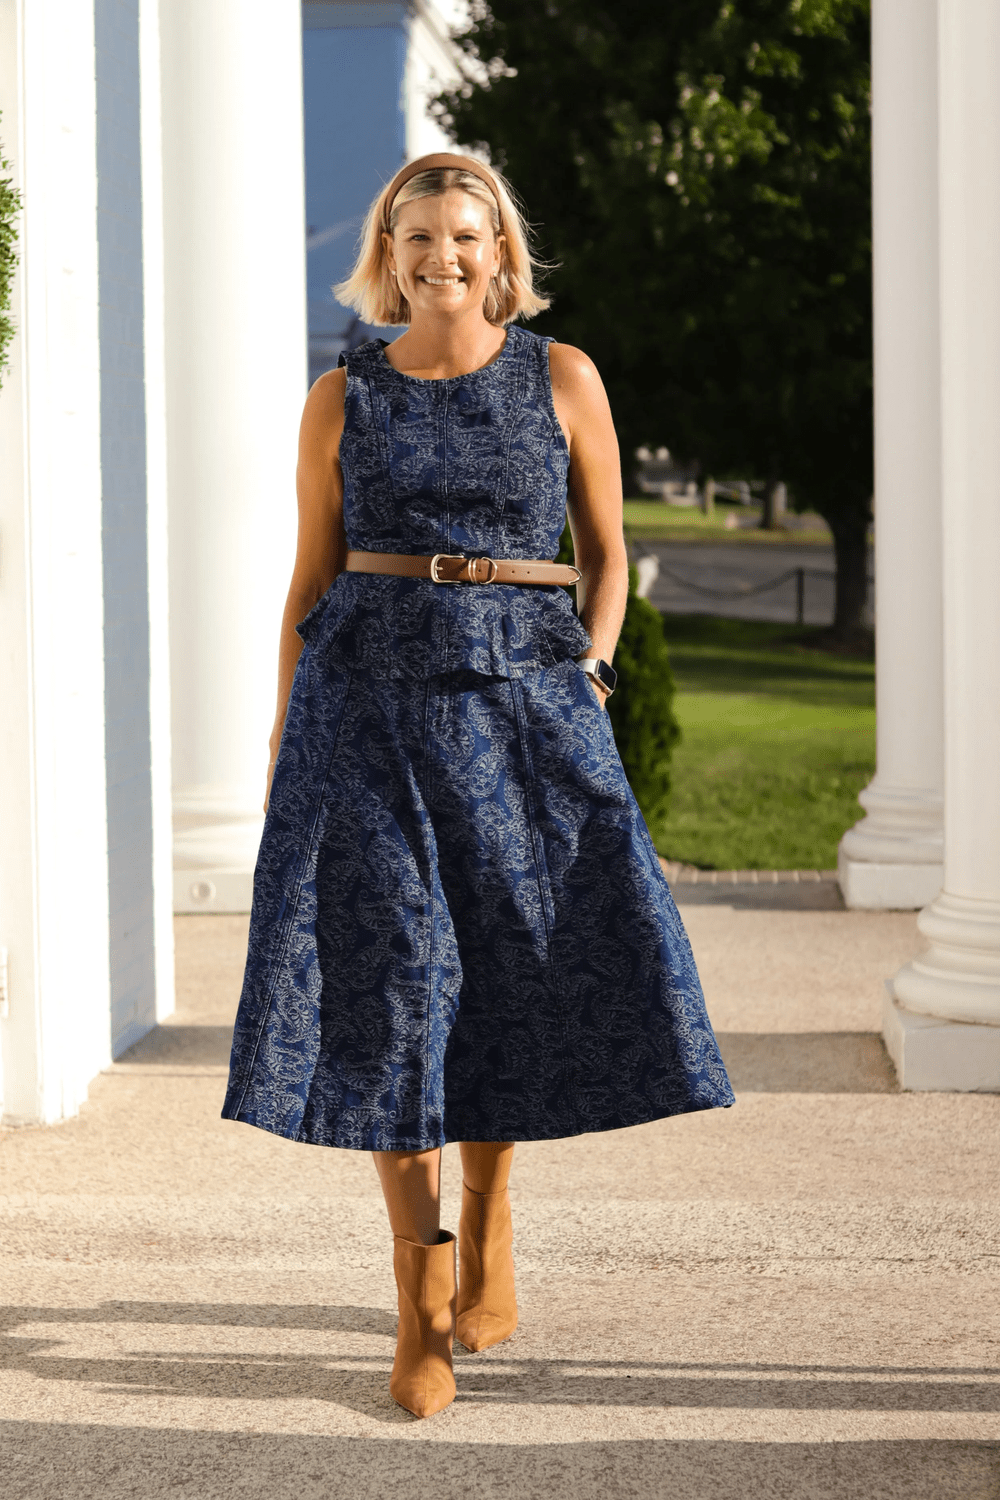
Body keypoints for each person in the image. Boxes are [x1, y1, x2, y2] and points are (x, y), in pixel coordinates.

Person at [222, 152, 733, 1419]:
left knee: (505, 973)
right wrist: (289, 731)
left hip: (521, 707)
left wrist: (595, 680)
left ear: (499, 247)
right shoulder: (340, 396)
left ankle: (494, 1218)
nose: (439, 254)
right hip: (369, 710)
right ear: (387, 253)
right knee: (396, 984)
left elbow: (607, 556)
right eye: (415, 235)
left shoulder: (562, 377)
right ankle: (418, 1307)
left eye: (463, 232)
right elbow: (309, 582)